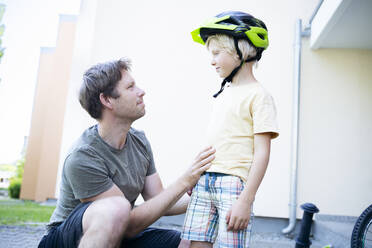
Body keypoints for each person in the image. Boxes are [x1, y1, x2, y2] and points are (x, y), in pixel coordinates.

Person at [38, 58, 215, 248]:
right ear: (107, 100)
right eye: (130, 87)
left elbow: (159, 200)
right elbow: (128, 223)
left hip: (119, 235)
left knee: (192, 240)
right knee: (117, 208)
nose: (141, 91)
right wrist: (186, 179)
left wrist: (209, 195)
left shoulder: (139, 141)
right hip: (67, 240)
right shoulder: (83, 156)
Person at [181, 11, 279, 247]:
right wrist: (197, 174)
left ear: (240, 51)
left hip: (233, 186)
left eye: (216, 53)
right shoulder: (224, 93)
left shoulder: (259, 96)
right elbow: (218, 140)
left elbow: (262, 153)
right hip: (205, 181)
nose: (211, 60)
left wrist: (246, 199)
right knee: (193, 244)